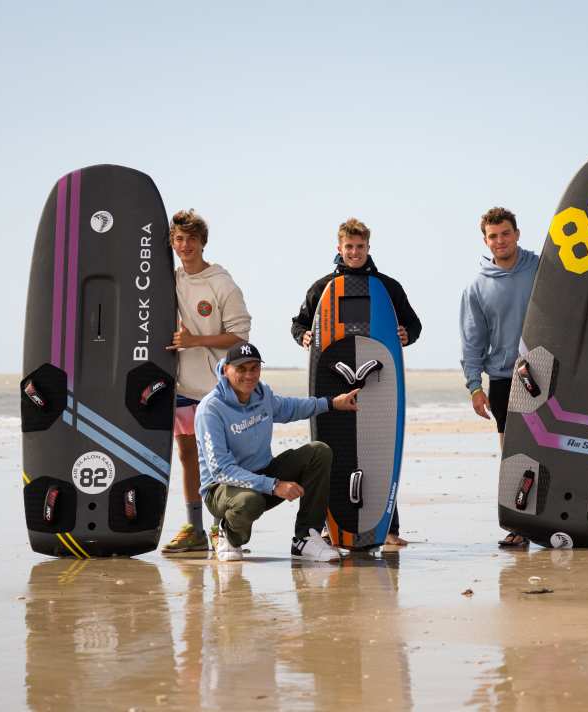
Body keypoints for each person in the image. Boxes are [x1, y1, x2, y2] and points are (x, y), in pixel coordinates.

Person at [289, 217, 421, 547]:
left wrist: (407, 334)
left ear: (368, 247)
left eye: (360, 247)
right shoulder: (321, 289)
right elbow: (298, 324)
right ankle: (327, 526)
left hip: (378, 382)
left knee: (380, 450)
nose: (354, 252)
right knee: (332, 449)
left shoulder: (387, 287)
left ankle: (389, 529)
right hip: (331, 380)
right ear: (339, 248)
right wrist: (303, 335)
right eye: (349, 247)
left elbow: (413, 326)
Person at [196, 342, 361, 562]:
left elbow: (291, 408)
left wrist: (331, 403)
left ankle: (306, 538)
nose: (249, 375)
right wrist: (274, 486)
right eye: (241, 369)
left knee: (318, 452)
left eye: (254, 368)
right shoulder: (211, 409)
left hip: (263, 475)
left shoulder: (262, 395)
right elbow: (220, 470)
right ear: (226, 370)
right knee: (248, 501)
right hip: (223, 489)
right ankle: (229, 535)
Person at [162, 209, 252, 556]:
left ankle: (222, 528)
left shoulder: (221, 283)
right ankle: (195, 528)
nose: (185, 246)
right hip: (182, 386)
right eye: (179, 240)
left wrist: (196, 342)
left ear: (203, 242)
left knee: (219, 459)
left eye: (191, 239)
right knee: (187, 455)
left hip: (217, 389)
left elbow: (240, 336)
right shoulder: (171, 280)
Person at [459, 207, 540, 547]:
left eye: (505, 233)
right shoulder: (477, 287)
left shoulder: (541, 268)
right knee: (514, 456)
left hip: (548, 372)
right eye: (493, 236)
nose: (500, 241)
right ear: (485, 240)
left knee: (554, 451)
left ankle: (559, 520)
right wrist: (475, 387)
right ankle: (520, 527)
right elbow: (472, 340)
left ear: (517, 234)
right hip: (505, 379)